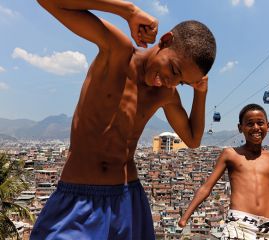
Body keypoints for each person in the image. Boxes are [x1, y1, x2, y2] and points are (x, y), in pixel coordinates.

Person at [31, 0, 216, 239]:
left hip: (128, 201)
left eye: (181, 82)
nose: (171, 82)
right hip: (79, 200)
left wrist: (200, 94)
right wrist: (128, 11)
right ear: (166, 40)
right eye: (174, 70)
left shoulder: (165, 93)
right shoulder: (117, 50)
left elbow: (192, 139)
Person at [178, 103, 269, 240]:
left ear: (268, 125)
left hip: (268, 228)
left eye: (260, 123)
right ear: (240, 128)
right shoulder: (230, 154)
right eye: (250, 124)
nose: (256, 128)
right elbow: (207, 187)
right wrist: (186, 216)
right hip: (238, 224)